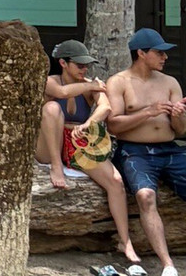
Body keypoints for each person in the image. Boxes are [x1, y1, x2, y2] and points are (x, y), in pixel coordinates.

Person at [36, 39, 141, 265]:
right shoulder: (50, 81)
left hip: (77, 142)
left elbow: (105, 107)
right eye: (79, 65)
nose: (84, 70)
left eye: (86, 66)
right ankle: (56, 166)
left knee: (116, 181)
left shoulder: (90, 85)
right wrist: (90, 85)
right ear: (63, 63)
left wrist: (88, 123)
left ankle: (125, 241)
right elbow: (61, 92)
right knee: (51, 108)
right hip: (48, 144)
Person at [107, 28, 186, 276]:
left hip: (170, 148)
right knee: (145, 196)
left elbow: (181, 130)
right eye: (159, 53)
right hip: (134, 151)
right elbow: (113, 125)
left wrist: (178, 116)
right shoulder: (118, 82)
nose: (165, 57)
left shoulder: (170, 82)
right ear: (141, 53)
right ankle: (168, 265)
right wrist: (149, 112)